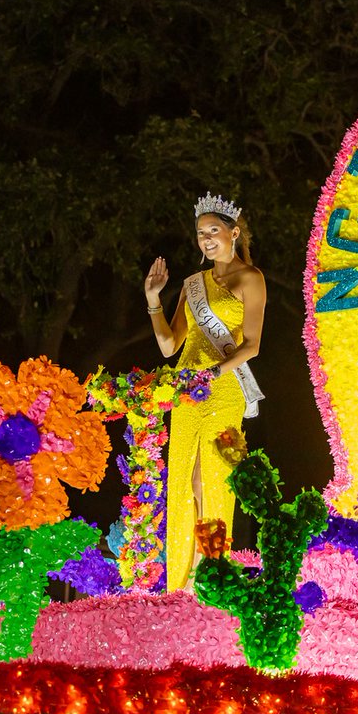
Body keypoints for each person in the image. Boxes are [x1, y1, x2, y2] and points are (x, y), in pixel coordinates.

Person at [144, 193, 267, 591]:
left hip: (222, 389)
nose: (207, 240)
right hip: (186, 394)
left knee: (210, 476)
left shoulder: (251, 279)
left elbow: (252, 346)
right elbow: (169, 346)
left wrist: (211, 373)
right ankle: (179, 581)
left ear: (233, 233)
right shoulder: (193, 285)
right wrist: (153, 300)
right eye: (201, 234)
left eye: (214, 231)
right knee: (181, 479)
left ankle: (212, 574)